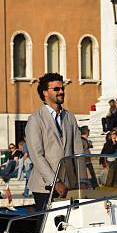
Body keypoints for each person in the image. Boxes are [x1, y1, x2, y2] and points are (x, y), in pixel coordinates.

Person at [25, 72, 86, 211]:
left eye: (62, 88)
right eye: (56, 89)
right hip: (44, 187)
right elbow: (37, 156)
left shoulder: (70, 117)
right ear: (45, 93)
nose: (61, 91)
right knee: (46, 225)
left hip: (70, 185)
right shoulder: (35, 119)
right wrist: (55, 182)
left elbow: (79, 152)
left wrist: (83, 180)